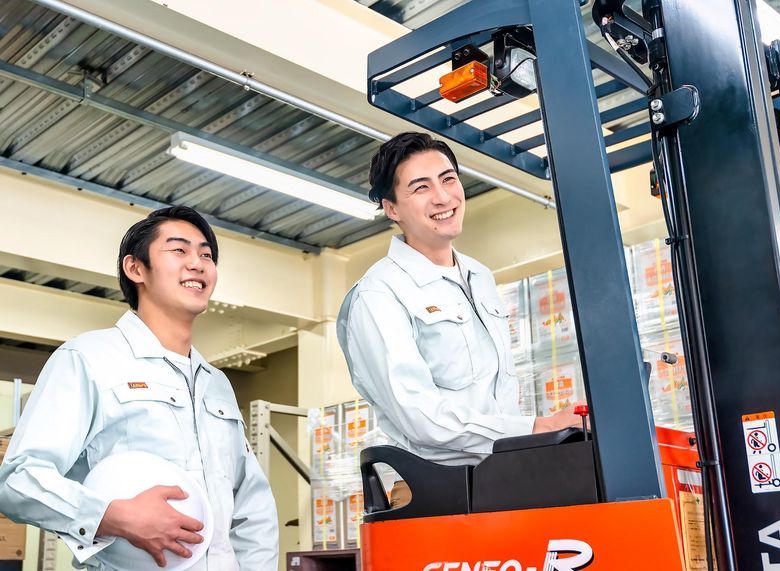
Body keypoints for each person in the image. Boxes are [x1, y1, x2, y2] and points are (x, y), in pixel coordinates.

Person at [0, 206, 278, 570]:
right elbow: (18, 480)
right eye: (179, 250)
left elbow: (252, 507)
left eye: (206, 255)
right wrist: (111, 515)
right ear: (135, 268)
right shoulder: (88, 358)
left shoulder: (216, 383)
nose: (197, 264)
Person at [336, 132, 585, 505]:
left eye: (448, 179)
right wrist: (535, 427)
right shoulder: (378, 294)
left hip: (506, 477)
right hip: (436, 492)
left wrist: (540, 435)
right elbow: (419, 416)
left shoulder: (479, 276)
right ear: (392, 208)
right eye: (421, 187)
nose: (442, 197)